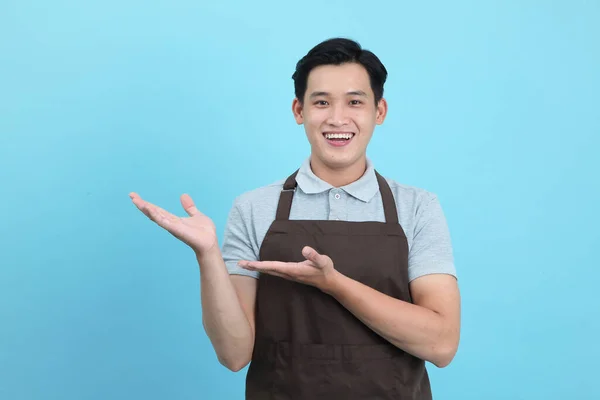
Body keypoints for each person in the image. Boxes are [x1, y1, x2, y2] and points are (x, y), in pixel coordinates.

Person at [130, 37, 460, 399]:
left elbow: (442, 345)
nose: (337, 118)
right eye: (321, 102)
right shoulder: (254, 208)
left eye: (354, 102)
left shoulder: (417, 207)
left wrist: (335, 284)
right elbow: (235, 354)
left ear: (378, 111)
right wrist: (207, 255)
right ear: (298, 110)